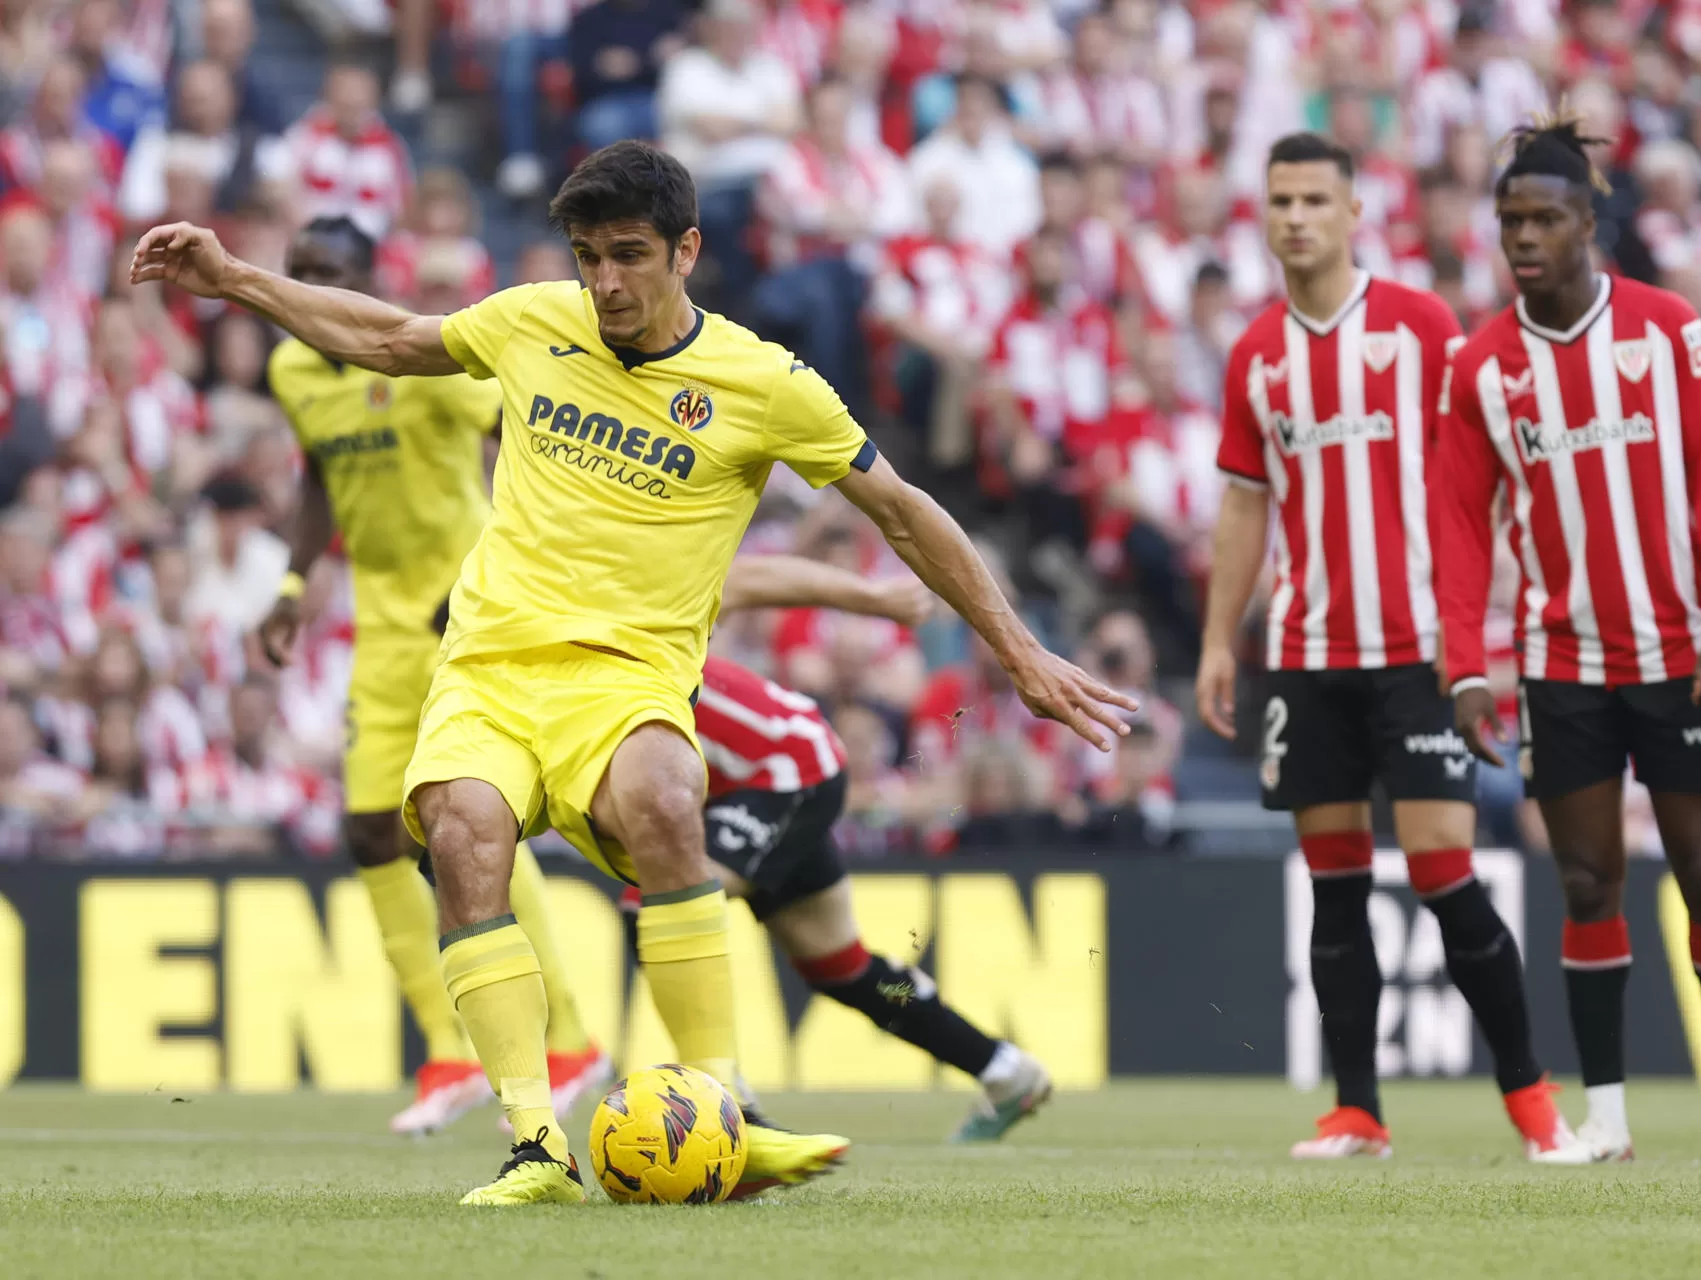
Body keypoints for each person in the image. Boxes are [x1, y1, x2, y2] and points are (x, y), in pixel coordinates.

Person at [130, 139, 1133, 1206]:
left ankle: (726, 1110)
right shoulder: (533, 321)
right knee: (463, 835)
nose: (603, 282)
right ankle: (536, 1145)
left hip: (630, 682)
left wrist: (1019, 652)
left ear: (686, 251)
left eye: (628, 256)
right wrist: (234, 278)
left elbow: (902, 510)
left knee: (664, 795)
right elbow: (387, 337)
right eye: (587, 257)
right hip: (490, 665)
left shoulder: (765, 382)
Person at [1196, 132, 1579, 1163]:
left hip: (1418, 653)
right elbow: (1244, 506)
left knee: (1447, 870)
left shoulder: (1421, 328)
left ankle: (1533, 1101)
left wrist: (1487, 622)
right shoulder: (1257, 354)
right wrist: (1221, 640)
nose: (1296, 218)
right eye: (1281, 201)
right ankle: (1357, 1111)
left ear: (1355, 212)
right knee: (1335, 886)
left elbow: (1482, 476)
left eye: (1315, 200)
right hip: (1308, 653)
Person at [1431, 113, 1701, 1166]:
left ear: (1589, 222)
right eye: (1511, 220)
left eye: (1545, 218)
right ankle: (1607, 1117)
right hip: (1563, 664)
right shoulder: (1482, 366)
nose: (1524, 237)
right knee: (1588, 882)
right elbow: (1458, 528)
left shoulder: (1668, 330)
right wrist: (1465, 668)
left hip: (1680, 654)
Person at [258, 217, 610, 1138]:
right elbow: (318, 476)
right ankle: (451, 1054)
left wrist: (501, 571)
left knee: (472, 821)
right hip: (382, 627)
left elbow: (532, 442)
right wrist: (294, 584)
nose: (311, 289)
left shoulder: (427, 364)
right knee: (370, 830)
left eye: (330, 273)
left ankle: (568, 1041)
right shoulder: (293, 369)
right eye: (299, 273)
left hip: (467, 617)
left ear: (371, 281)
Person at [616, 555, 1055, 1142]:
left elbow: (744, 579)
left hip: (784, 770)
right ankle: (1004, 1070)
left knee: (656, 906)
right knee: (843, 968)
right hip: (742, 784)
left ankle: (731, 1108)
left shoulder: (607, 618)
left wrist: (872, 598)